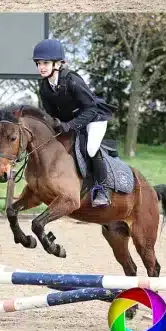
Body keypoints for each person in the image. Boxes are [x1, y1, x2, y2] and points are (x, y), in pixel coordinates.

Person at [33, 38, 116, 207]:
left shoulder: (72, 80)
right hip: (72, 121)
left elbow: (91, 109)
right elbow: (51, 113)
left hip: (94, 118)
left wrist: (70, 125)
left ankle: (102, 190)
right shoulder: (44, 87)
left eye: (45, 63)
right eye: (39, 63)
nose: (41, 67)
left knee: (91, 148)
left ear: (57, 64)